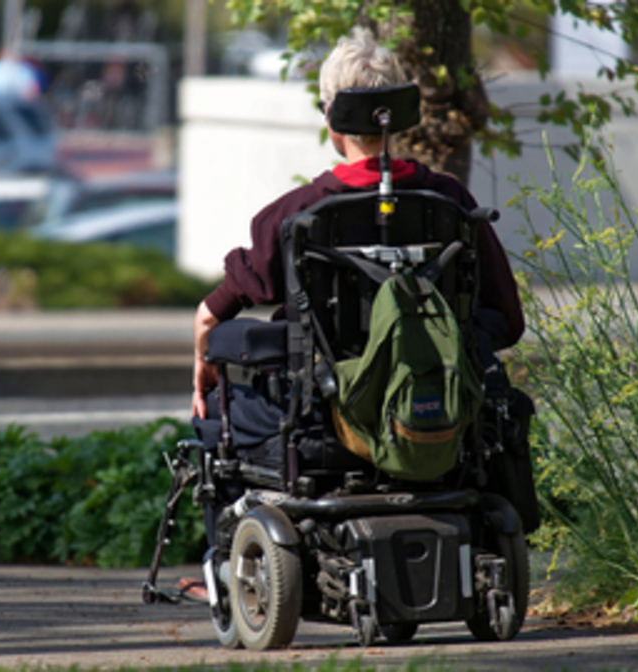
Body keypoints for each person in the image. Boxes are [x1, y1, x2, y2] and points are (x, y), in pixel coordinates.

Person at [179, 26, 524, 603]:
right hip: (436, 414)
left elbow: (210, 319)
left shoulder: (296, 215)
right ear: (404, 112)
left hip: (325, 421)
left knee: (217, 410)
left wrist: (203, 357)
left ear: (331, 117)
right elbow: (507, 321)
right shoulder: (452, 207)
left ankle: (222, 569)